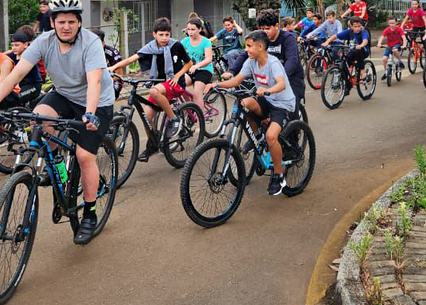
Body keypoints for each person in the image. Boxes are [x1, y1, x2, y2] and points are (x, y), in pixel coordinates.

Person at [0, 0, 114, 245]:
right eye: (61, 21)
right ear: (52, 22)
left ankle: (89, 213)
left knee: (85, 156)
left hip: (95, 101)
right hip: (64, 94)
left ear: (79, 23)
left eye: (72, 22)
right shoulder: (44, 41)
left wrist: (89, 113)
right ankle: (58, 168)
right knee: (38, 119)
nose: (66, 26)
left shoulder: (90, 42)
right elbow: (15, 75)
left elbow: (95, 81)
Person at [207, 30, 296, 196]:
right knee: (245, 103)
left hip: (282, 104)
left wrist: (268, 90)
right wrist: (216, 85)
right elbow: (237, 80)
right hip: (266, 99)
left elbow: (282, 84)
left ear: (260, 46)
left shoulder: (273, 63)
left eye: (249, 46)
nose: (246, 49)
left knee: (272, 137)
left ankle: (278, 175)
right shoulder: (251, 61)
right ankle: (257, 136)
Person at [109, 17, 192, 162]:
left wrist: (178, 75)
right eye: (161, 34)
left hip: (175, 84)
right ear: (154, 34)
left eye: (167, 34)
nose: (164, 38)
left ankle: (174, 118)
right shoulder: (150, 47)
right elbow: (130, 60)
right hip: (159, 84)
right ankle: (153, 144)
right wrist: (112, 68)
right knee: (147, 116)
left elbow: (189, 63)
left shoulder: (176, 46)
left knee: (153, 91)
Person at [228, 9, 306, 115]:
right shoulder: (261, 39)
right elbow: (245, 54)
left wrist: (278, 79)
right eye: (262, 28)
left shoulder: (288, 38)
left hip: (291, 79)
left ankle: (295, 129)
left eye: (268, 28)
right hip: (268, 79)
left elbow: (292, 61)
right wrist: (231, 71)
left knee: (290, 113)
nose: (265, 31)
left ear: (277, 25)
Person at [180, 18, 214, 119]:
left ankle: (200, 121)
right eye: (188, 29)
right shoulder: (185, 41)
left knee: (196, 93)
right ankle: (189, 108)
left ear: (199, 29)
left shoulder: (206, 42)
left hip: (204, 70)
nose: (190, 32)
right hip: (190, 70)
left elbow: (208, 59)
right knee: (179, 86)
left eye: (193, 29)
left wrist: (196, 66)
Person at [7, 29, 45, 106]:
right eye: (12, 45)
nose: (14, 48)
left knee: (18, 97)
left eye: (17, 45)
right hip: (18, 85)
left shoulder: (30, 56)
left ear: (25, 45)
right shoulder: (11, 56)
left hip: (33, 87)